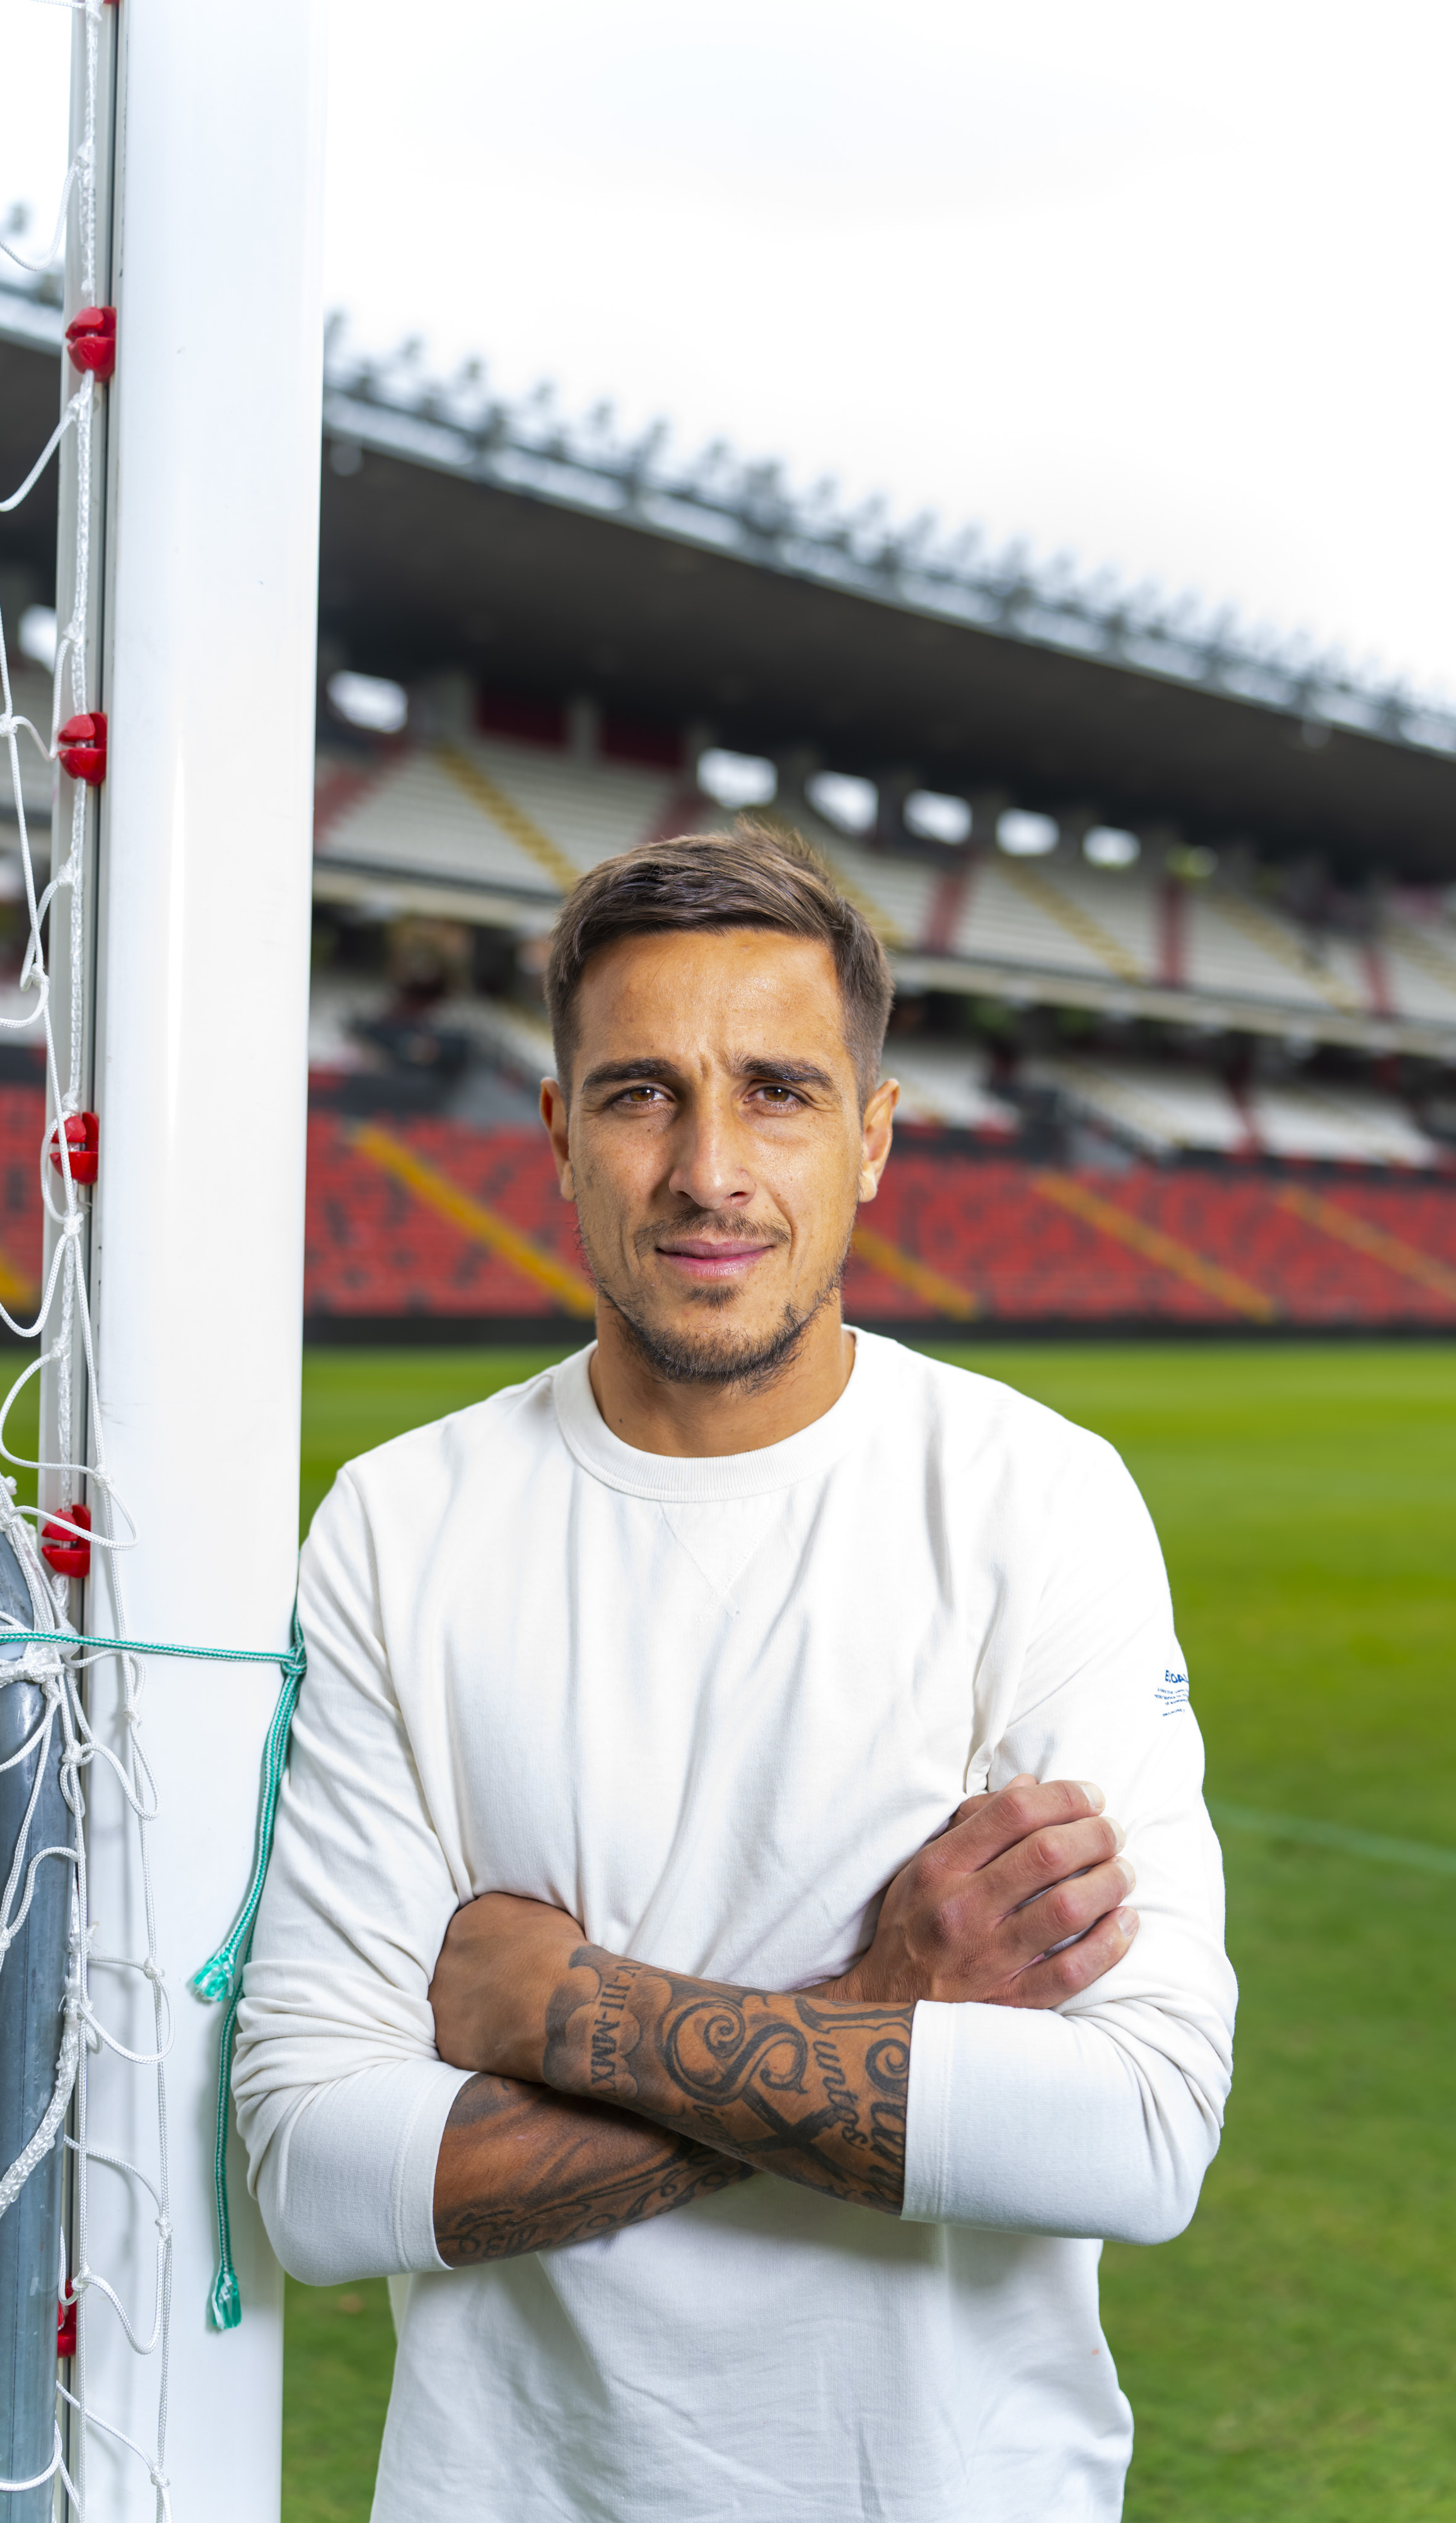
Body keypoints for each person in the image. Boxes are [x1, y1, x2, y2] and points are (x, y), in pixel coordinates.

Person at [234, 820, 1237, 2522]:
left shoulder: (1029, 1497)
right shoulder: (400, 1523)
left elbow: (1134, 2136)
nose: (710, 1167)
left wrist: (560, 2012)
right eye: (640, 1094)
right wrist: (879, 2009)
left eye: (776, 1090)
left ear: (872, 1139)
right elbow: (318, 2180)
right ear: (557, 1134)